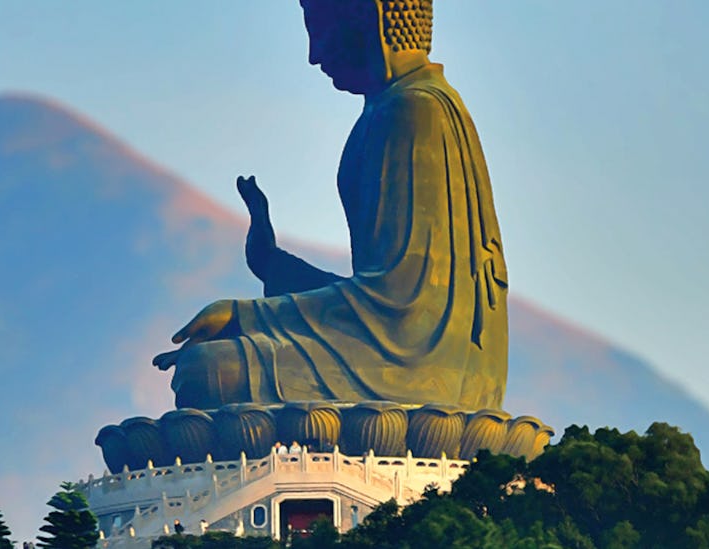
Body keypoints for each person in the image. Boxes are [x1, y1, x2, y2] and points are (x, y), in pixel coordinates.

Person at [154, 0, 508, 411]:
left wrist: (245, 315)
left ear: (370, 16)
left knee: (207, 372)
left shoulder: (414, 110)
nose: (314, 54)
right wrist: (274, 265)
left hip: (423, 371)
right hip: (400, 351)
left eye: (320, 27)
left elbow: (402, 310)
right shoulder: (394, 108)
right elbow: (384, 296)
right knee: (208, 363)